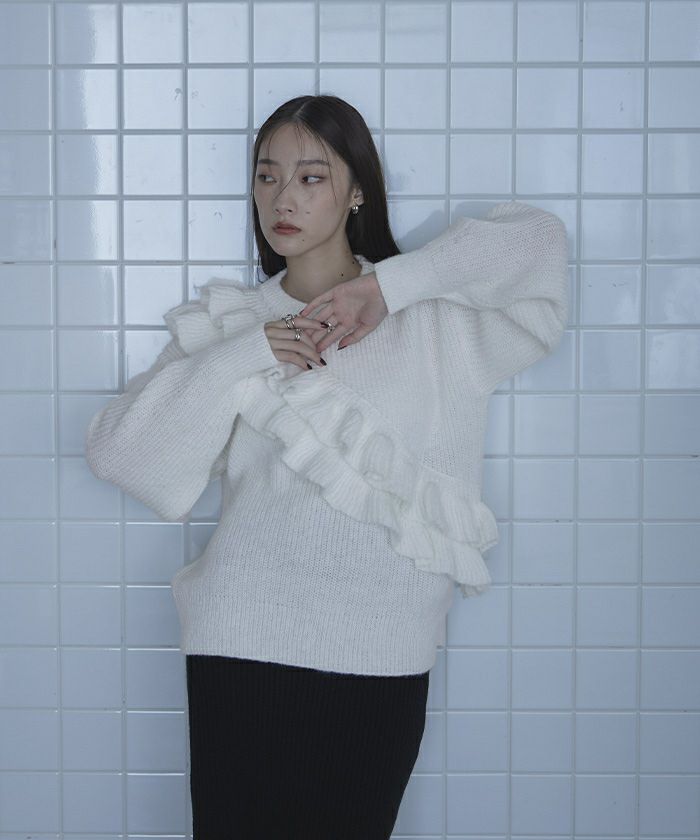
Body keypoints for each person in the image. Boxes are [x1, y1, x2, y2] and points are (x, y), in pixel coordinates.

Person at [85, 94, 568, 839]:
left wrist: (388, 288)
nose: (283, 198)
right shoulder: (229, 326)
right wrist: (244, 355)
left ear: (357, 191)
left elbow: (539, 244)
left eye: (312, 177)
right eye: (267, 176)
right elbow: (123, 456)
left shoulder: (440, 322)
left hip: (381, 649)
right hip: (240, 642)